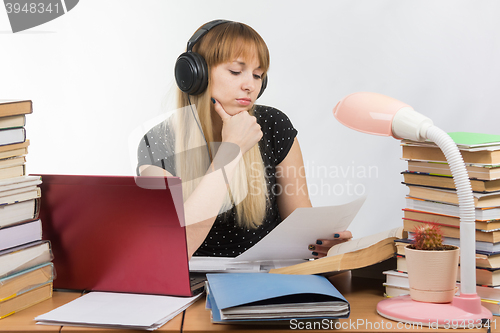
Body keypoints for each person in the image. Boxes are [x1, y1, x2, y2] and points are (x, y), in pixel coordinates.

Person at [137, 20, 351, 259]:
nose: (250, 85)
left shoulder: (272, 125)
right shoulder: (156, 142)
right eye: (236, 71)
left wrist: (322, 245)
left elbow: (301, 231)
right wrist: (231, 150)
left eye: (258, 75)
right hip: (192, 287)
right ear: (196, 74)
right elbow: (172, 250)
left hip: (267, 278)